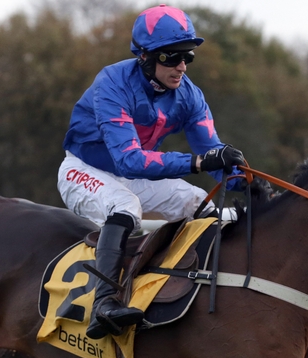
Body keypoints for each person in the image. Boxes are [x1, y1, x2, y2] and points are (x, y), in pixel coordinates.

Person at [58, 4, 246, 340]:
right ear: (145, 57)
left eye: (187, 56)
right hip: (83, 169)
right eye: (171, 58)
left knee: (200, 204)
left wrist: (244, 183)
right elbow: (129, 160)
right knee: (124, 206)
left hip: (133, 177)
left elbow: (210, 153)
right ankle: (105, 304)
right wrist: (197, 163)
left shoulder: (190, 95)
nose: (181, 67)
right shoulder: (112, 83)